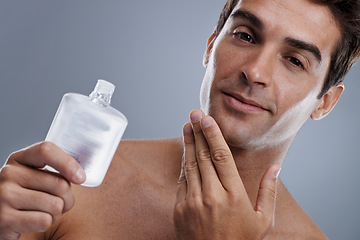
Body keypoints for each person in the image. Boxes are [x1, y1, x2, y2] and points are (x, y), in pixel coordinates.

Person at [1, 0, 359, 239]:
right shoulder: (77, 181)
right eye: (245, 36)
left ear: (324, 102)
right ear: (209, 47)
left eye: (294, 60)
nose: (254, 71)